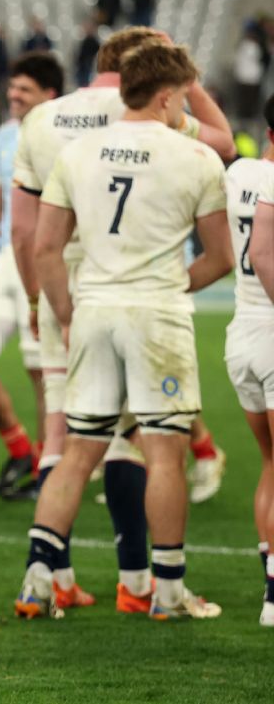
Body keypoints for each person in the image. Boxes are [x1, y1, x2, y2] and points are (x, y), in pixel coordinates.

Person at [10, 27, 236, 614]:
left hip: (92, 309)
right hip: (155, 315)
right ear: (165, 96)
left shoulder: (77, 153)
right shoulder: (195, 156)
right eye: (182, 96)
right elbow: (221, 257)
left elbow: (44, 247)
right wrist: (173, 283)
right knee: (163, 454)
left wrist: (66, 310)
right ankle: (167, 591)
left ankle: (38, 579)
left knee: (77, 449)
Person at [0, 52, 62, 501]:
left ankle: (46, 467)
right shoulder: (4, 134)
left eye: (25, 89)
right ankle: (20, 448)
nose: (14, 95)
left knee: (42, 371)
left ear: (49, 95)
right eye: (13, 87)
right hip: (7, 257)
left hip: (44, 257)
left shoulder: (63, 134)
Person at [225, 94, 274, 627]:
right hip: (272, 327)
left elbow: (217, 135)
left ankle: (270, 586)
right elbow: (264, 254)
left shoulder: (239, 173)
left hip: (241, 334)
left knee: (270, 463)